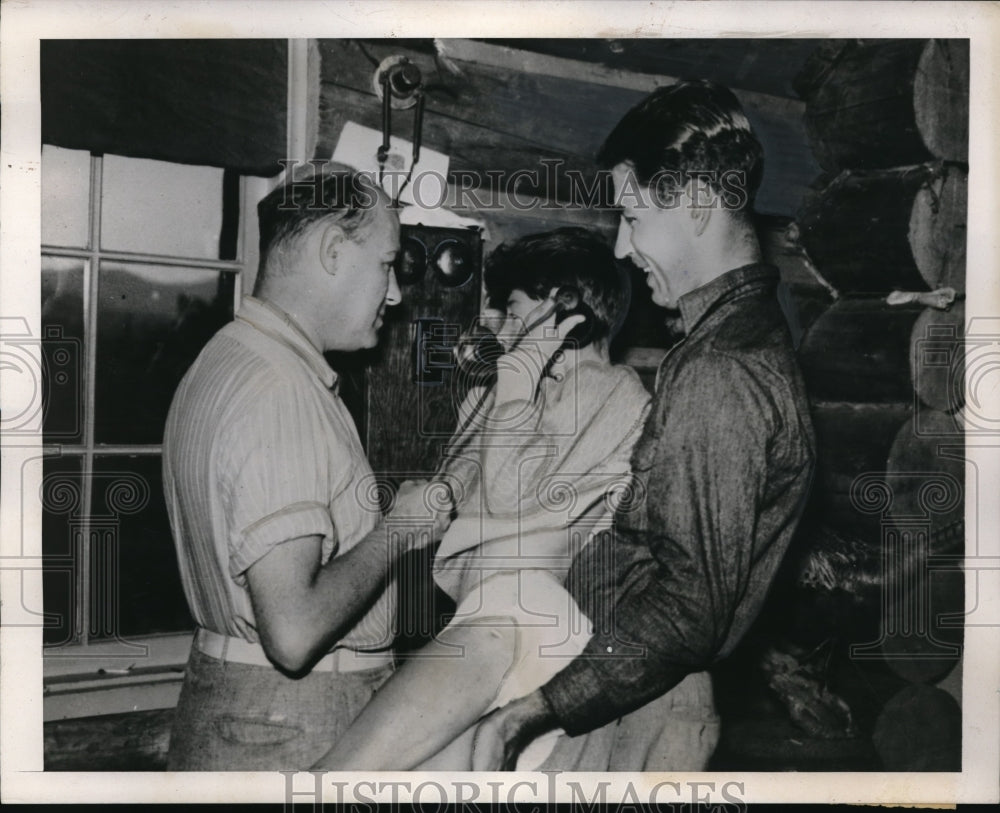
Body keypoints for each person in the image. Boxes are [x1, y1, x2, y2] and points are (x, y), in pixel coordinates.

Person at [471, 79, 817, 771]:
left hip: (635, 704)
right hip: (619, 681)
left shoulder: (723, 369)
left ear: (692, 203)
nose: (624, 249)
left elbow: (689, 608)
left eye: (631, 217)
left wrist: (529, 713)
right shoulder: (726, 341)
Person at [312, 227, 652, 770]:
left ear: (565, 313)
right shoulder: (518, 390)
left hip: (522, 622)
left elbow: (512, 494)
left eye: (516, 313)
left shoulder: (611, 388)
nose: (503, 328)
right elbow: (456, 487)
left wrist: (515, 385)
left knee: (333, 782)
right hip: (480, 619)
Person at [163, 164, 445, 770]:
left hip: (237, 706)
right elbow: (293, 635)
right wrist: (400, 529)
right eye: (387, 264)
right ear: (334, 251)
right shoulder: (280, 390)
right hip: (291, 721)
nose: (394, 294)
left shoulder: (226, 358)